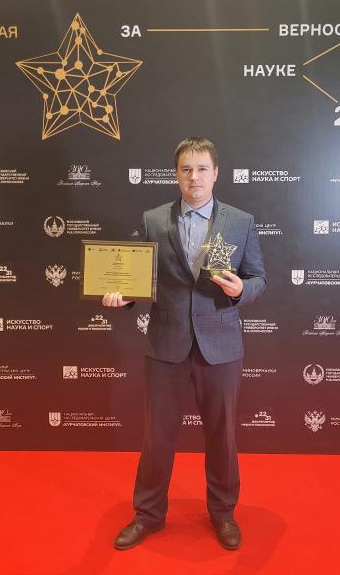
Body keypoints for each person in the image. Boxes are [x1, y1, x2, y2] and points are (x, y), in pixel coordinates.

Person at [102, 137, 266, 551]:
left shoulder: (241, 221)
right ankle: (148, 515)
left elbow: (259, 278)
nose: (194, 177)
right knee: (157, 437)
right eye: (186, 169)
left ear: (216, 173)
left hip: (220, 346)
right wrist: (123, 296)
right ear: (176, 174)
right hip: (166, 345)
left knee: (222, 437)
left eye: (202, 169)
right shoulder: (154, 219)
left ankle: (223, 513)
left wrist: (241, 290)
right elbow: (140, 278)